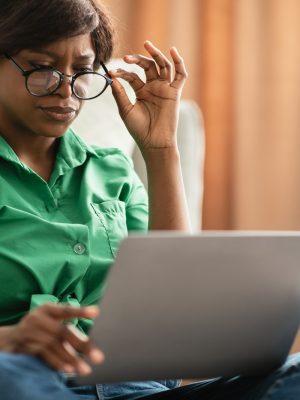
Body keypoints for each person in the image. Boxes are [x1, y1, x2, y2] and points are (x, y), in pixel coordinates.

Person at [0, 0, 300, 399]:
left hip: (135, 387)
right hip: (26, 379)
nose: (66, 88)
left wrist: (160, 151)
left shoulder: (111, 170)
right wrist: (10, 339)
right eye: (41, 67)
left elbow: (175, 297)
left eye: (84, 71)